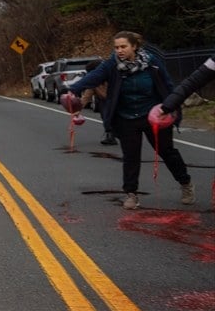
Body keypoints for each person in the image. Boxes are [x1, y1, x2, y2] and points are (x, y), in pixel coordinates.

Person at [67, 31, 194, 210]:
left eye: (123, 46)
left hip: (154, 115)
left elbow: (167, 85)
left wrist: (171, 107)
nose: (119, 50)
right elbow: (93, 77)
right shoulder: (111, 65)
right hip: (126, 117)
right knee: (131, 157)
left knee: (167, 152)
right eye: (116, 47)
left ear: (134, 46)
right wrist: (73, 89)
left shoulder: (152, 63)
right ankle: (131, 194)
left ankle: (185, 183)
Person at [77, 59, 116, 145]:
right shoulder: (93, 82)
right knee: (105, 117)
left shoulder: (112, 76)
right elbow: (86, 96)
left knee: (114, 117)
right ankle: (110, 135)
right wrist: (78, 108)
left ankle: (115, 133)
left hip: (115, 99)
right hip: (103, 100)